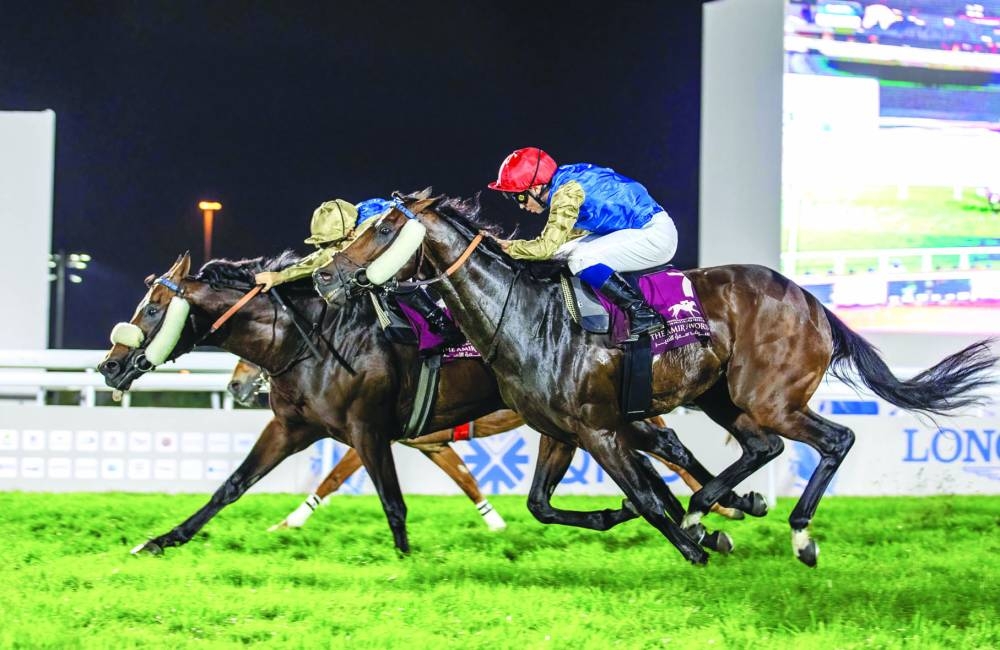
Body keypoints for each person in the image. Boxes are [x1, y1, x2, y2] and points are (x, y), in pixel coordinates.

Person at [487, 147, 676, 340]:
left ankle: (641, 312)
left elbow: (545, 247)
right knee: (564, 253)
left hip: (655, 235)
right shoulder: (564, 179)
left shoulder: (566, 193)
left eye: (519, 196)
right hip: (638, 229)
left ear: (535, 187)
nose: (520, 205)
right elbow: (557, 245)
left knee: (580, 258)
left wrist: (505, 247)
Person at [255, 197, 462, 348]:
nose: (330, 247)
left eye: (334, 242)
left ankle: (439, 322)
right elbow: (322, 257)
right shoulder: (348, 221)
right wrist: (281, 276)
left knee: (386, 279)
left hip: (420, 260)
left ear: (352, 232)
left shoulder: (372, 222)